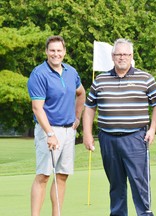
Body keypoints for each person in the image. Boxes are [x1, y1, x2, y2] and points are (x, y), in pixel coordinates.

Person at [82, 38, 156, 216]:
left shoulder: (145, 78)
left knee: (139, 182)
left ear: (132, 56)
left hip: (135, 138)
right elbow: (89, 108)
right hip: (108, 139)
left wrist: (152, 129)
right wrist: (87, 134)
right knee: (116, 184)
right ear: (112, 56)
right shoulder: (100, 80)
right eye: (118, 54)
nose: (122, 57)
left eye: (126, 54)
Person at [27, 35, 86, 216]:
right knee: (43, 176)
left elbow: (81, 93)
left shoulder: (71, 72)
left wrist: (77, 118)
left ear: (64, 52)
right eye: (52, 50)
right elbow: (37, 108)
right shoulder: (39, 74)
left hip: (69, 131)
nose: (56, 54)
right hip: (49, 131)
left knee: (62, 176)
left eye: (59, 50)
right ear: (46, 52)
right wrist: (50, 133)